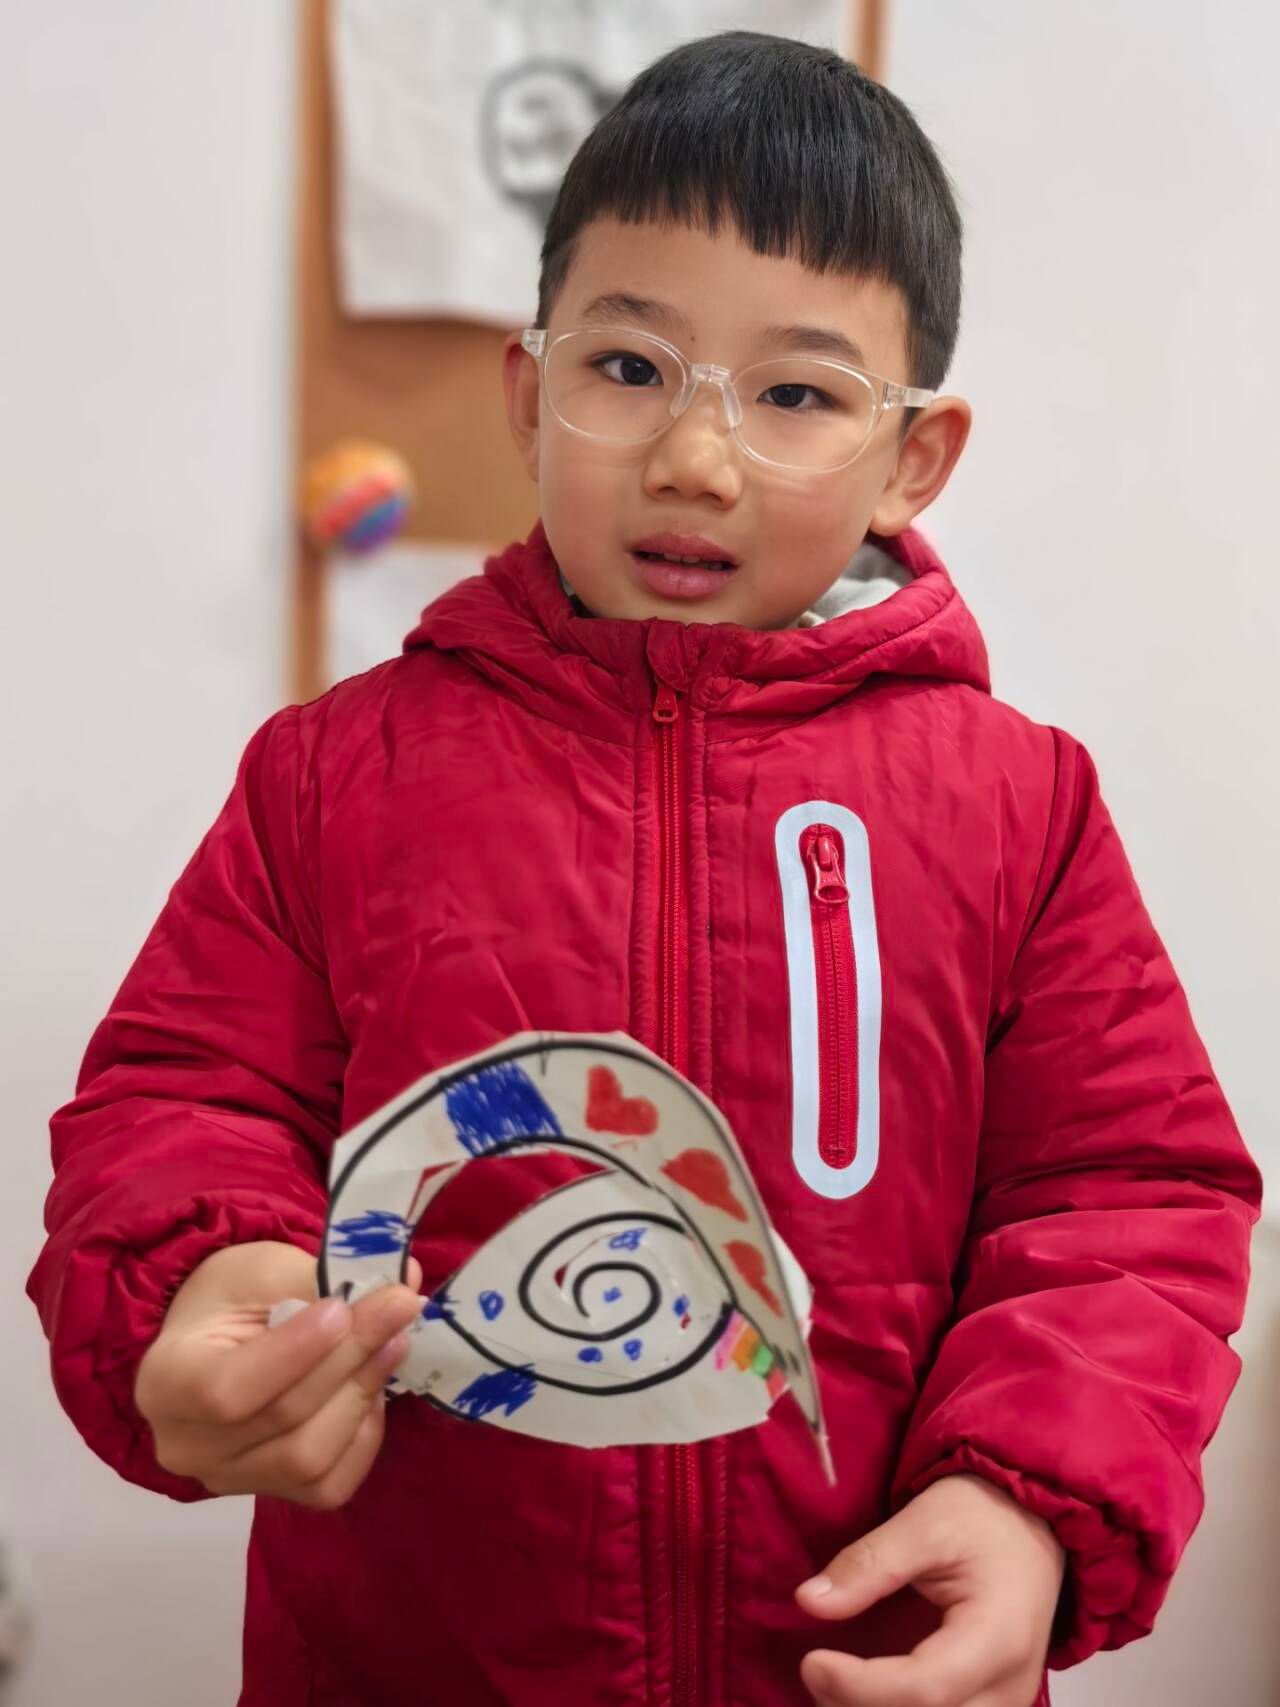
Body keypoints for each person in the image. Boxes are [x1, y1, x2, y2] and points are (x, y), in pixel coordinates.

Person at [28, 30, 1259, 1707]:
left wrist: (1028, 1497)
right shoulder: (330, 776)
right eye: (628, 367)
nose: (695, 457)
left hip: (860, 1662)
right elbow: (183, 1099)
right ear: (529, 393)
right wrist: (209, 1285)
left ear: (912, 457)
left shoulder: (1020, 807)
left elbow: (1126, 1198)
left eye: (798, 394)